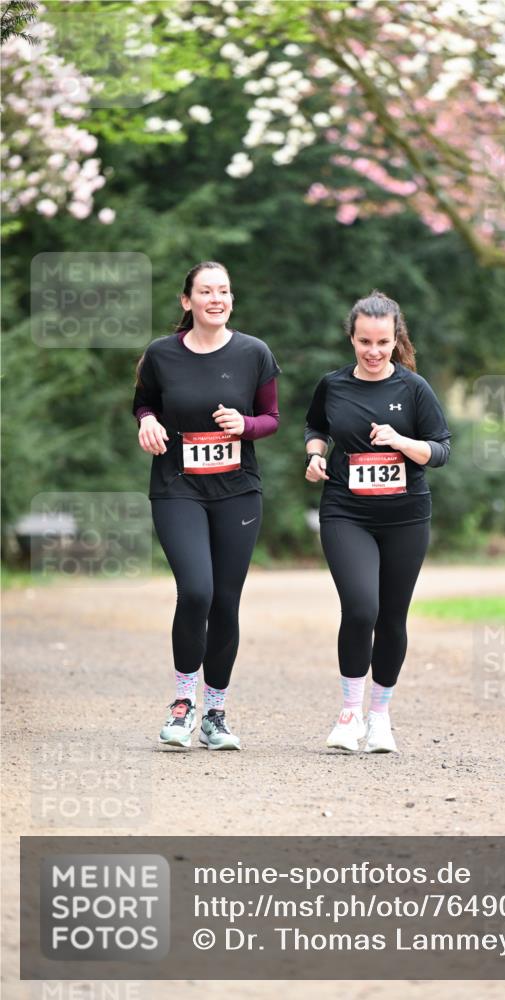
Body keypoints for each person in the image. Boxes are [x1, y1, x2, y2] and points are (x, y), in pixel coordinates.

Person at [133, 261, 280, 751]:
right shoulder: (161, 354)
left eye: (224, 291)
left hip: (237, 491)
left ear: (231, 299)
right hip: (178, 486)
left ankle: (215, 712)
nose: (216, 299)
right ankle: (183, 703)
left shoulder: (254, 353)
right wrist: (147, 420)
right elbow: (143, 402)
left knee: (225, 601)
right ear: (187, 300)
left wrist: (246, 425)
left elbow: (272, 418)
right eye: (206, 291)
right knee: (196, 590)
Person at [304, 290, 451, 753]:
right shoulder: (333, 385)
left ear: (395, 338)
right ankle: (350, 714)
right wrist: (315, 456)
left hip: (406, 516)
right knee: (360, 608)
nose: (373, 351)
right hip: (346, 511)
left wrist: (401, 441)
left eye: (382, 342)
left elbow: (440, 450)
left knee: (391, 617)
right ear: (351, 338)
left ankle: (380, 717)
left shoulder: (414, 388)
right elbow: (315, 427)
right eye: (365, 341)